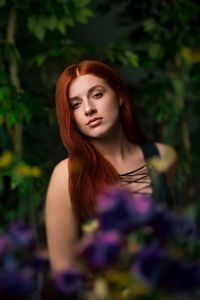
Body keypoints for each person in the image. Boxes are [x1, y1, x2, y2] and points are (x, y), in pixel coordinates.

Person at [45, 60, 178, 275]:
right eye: (75, 105)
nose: (88, 109)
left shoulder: (162, 157)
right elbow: (63, 269)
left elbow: (175, 241)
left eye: (97, 95)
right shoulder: (66, 174)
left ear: (119, 95)